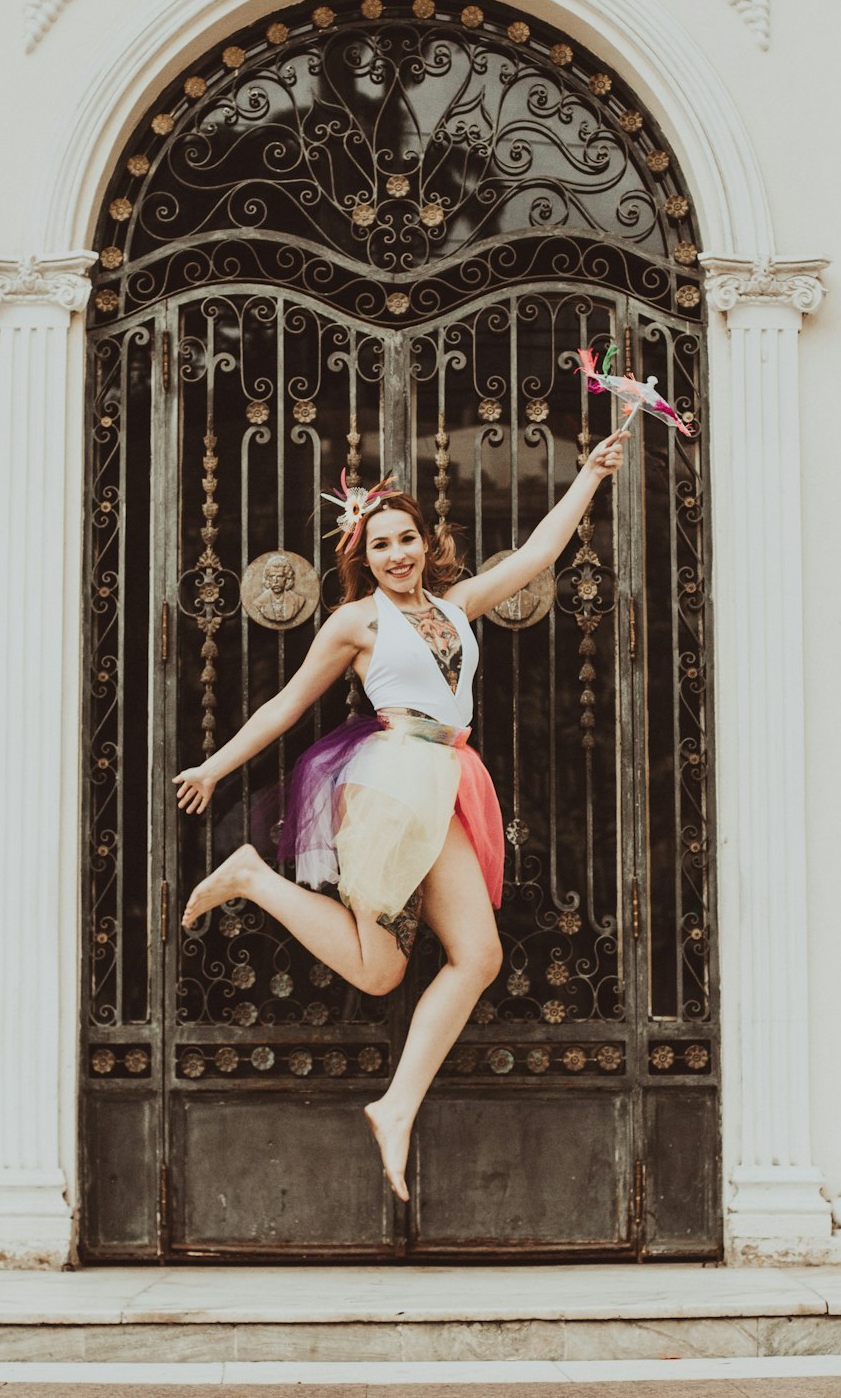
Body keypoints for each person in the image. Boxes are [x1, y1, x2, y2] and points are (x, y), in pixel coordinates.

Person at [174, 429, 629, 1200]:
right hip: (390, 786)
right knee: (413, 966)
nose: (397, 554)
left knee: (418, 966)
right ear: (363, 554)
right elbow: (289, 704)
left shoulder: (456, 606)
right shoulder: (357, 622)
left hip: (447, 775)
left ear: (428, 541)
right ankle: (252, 880)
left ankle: (393, 1104)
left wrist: (588, 474)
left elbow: (536, 555)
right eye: (381, 543)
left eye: (407, 539)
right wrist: (216, 767)